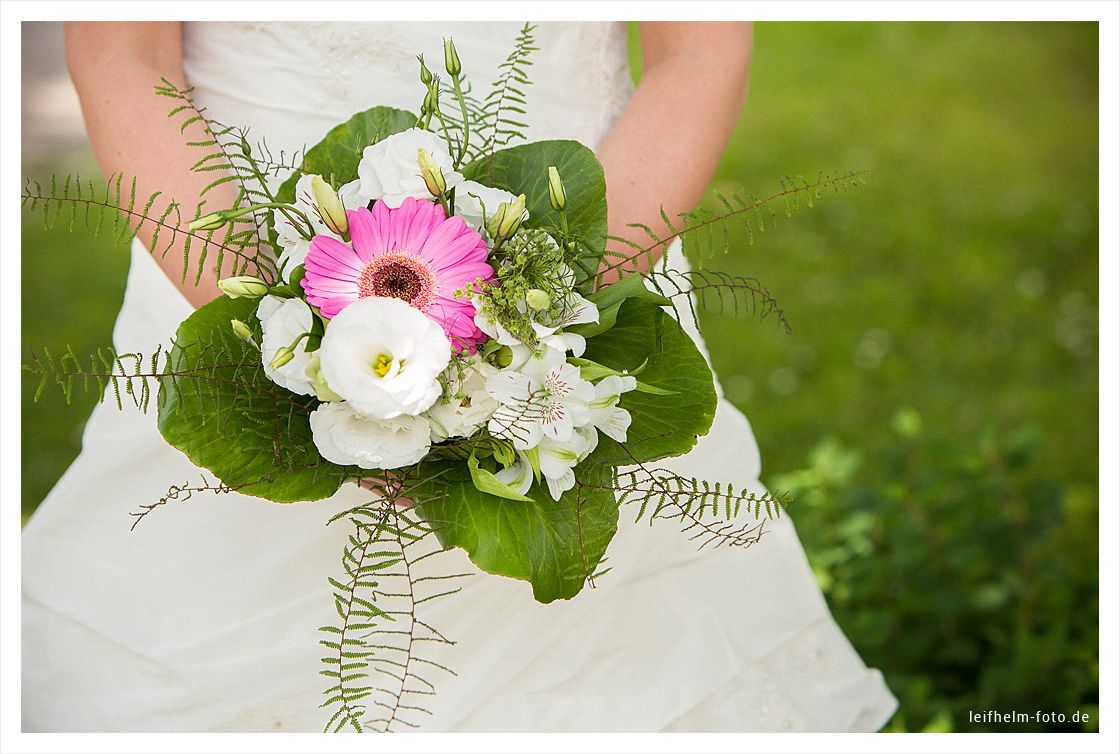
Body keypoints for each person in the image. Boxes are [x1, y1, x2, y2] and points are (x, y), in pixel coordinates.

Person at [22, 21, 898, 732]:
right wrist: (283, 346)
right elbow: (119, 50)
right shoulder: (255, 307)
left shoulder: (549, 314)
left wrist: (532, 332)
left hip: (578, 251)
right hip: (226, 246)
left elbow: (701, 49)